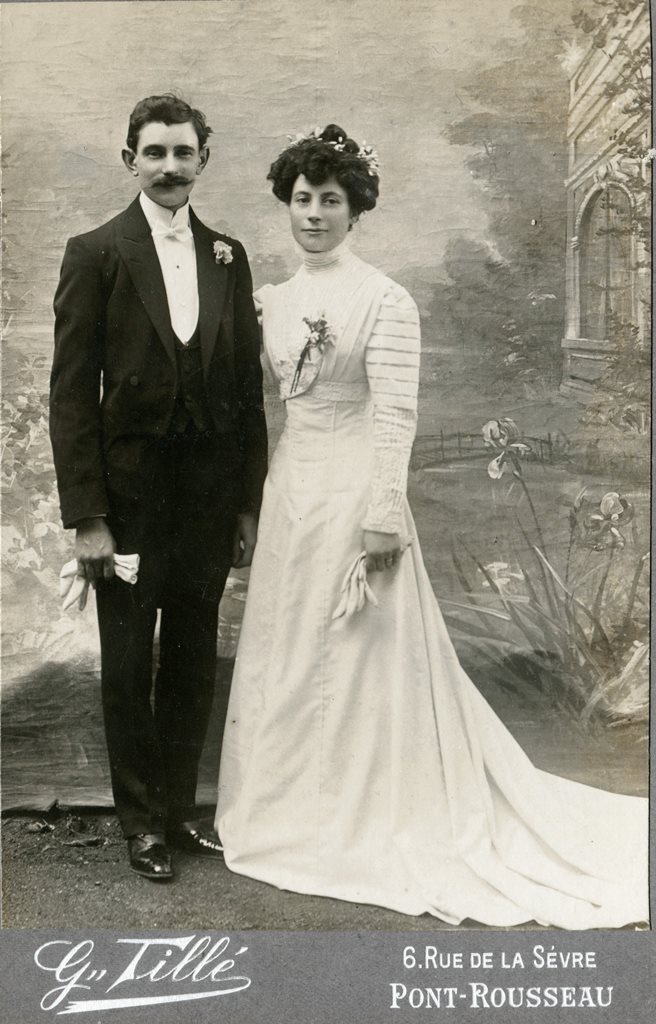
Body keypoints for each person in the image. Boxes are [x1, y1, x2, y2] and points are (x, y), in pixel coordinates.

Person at [216, 124, 648, 928]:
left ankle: (360, 813)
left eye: (331, 200)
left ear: (355, 210)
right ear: (287, 205)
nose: (314, 214)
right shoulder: (272, 301)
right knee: (288, 644)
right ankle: (288, 809)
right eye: (303, 199)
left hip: (354, 494)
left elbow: (396, 416)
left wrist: (383, 514)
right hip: (291, 491)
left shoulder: (383, 300)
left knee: (355, 654)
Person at [49, 94, 267, 881]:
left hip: (208, 497)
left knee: (192, 655)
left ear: (203, 159)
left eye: (183, 152)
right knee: (128, 659)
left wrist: (247, 503)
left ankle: (178, 810)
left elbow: (245, 391)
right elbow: (72, 394)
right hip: (129, 500)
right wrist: (89, 516)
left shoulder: (228, 256)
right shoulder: (96, 253)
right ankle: (140, 822)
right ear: (130, 160)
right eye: (155, 152)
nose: (170, 167)